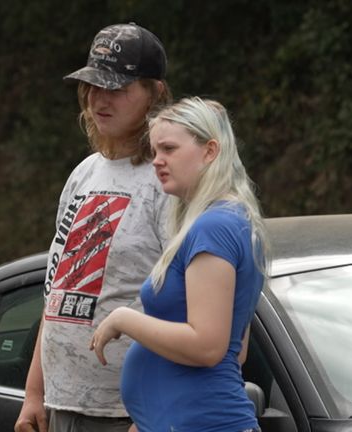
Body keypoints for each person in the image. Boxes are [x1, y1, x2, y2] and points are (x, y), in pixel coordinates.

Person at [15, 23, 171, 432]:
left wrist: (158, 409)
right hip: (63, 404)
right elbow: (58, 290)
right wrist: (35, 393)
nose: (100, 98)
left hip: (128, 411)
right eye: (92, 85)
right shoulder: (84, 174)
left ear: (155, 93)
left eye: (117, 88)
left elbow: (187, 303)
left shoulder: (167, 179)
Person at [90, 97, 269, 432]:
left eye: (169, 149)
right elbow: (236, 351)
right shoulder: (231, 219)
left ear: (210, 151)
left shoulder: (215, 226)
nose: (157, 161)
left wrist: (123, 319)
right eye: (155, 150)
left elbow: (207, 346)